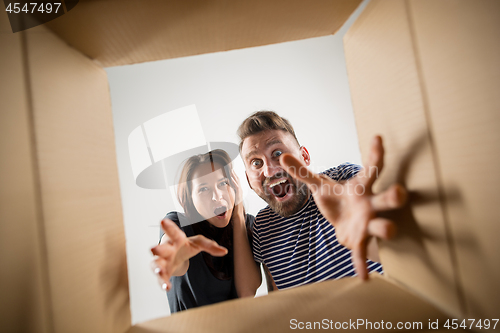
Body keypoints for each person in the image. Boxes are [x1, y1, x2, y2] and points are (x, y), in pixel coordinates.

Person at [238, 111, 407, 290]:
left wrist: (369, 236)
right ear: (249, 179)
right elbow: (278, 293)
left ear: (305, 157)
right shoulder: (262, 227)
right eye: (256, 163)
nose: (270, 171)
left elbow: (402, 250)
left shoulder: (346, 179)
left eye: (277, 153)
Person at [150, 149, 262, 312]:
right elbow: (174, 257)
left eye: (223, 183)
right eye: (203, 189)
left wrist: (238, 216)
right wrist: (172, 258)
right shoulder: (178, 224)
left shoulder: (248, 225)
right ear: (190, 198)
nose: (217, 196)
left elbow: (246, 293)